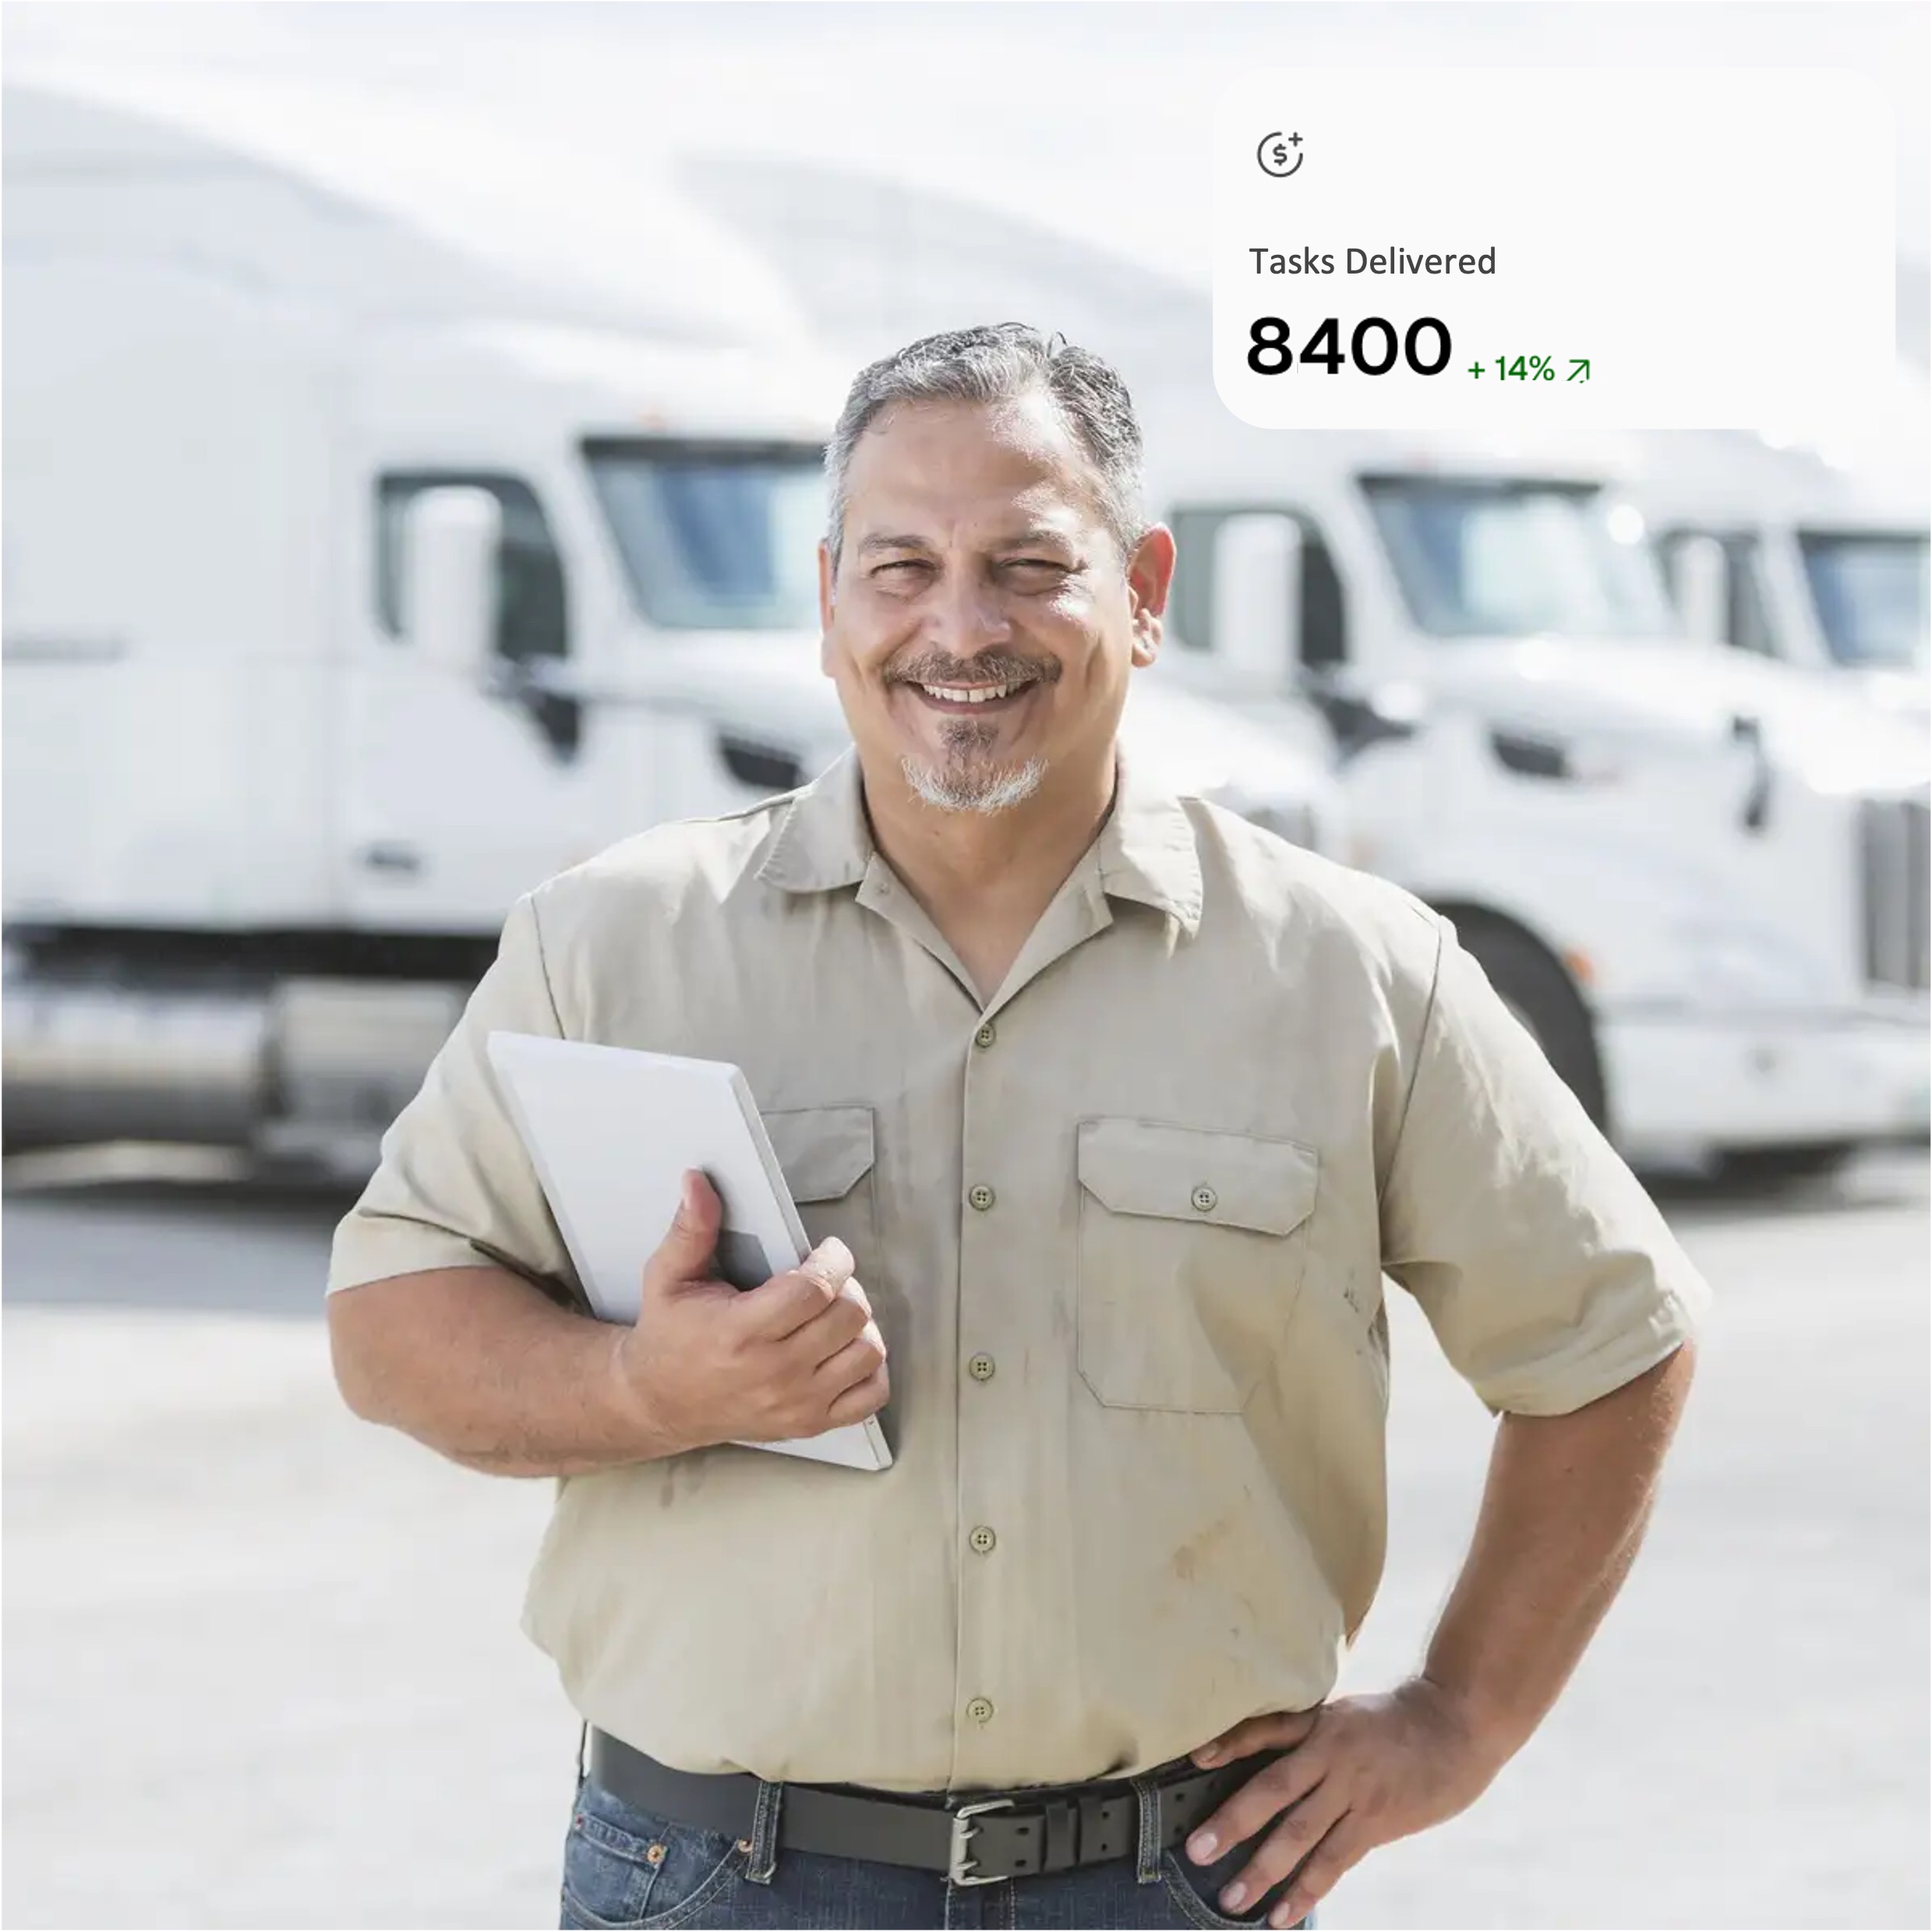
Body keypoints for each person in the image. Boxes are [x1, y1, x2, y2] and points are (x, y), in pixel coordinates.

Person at [326, 323, 1706, 1931]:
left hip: (1168, 1886)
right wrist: (643, 1382)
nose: (958, 627)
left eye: (1027, 564)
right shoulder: (610, 945)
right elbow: (392, 1321)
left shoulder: (1354, 972)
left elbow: (1613, 1339)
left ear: (1144, 588)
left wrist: (1456, 1723)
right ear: (829, 593)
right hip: (717, 1881)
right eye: (901, 566)